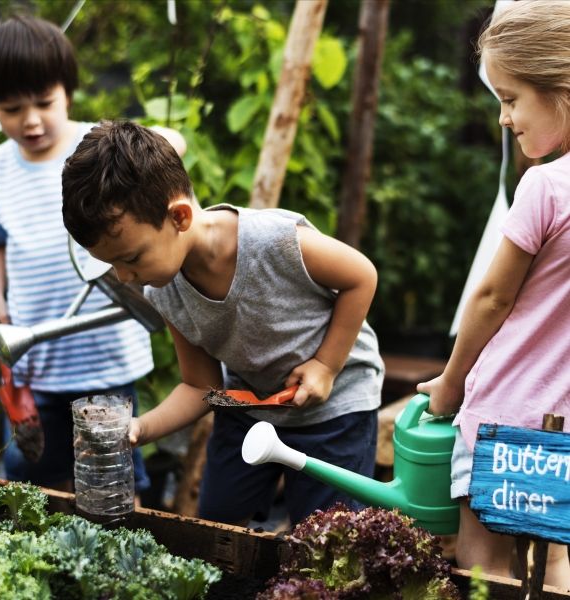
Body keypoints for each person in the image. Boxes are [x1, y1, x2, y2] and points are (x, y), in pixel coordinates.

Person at [61, 120, 384, 527]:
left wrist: (326, 365)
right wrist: (139, 428)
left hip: (334, 410)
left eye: (131, 258)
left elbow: (361, 276)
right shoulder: (164, 289)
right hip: (248, 405)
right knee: (217, 522)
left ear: (178, 216)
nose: (125, 277)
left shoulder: (273, 241)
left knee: (326, 534)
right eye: (112, 264)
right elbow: (202, 386)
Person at [0, 15, 186, 497]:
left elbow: (174, 142)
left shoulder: (98, 148)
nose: (30, 120)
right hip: (35, 354)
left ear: (66, 91)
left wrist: (159, 146)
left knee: (112, 477)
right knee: (32, 483)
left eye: (44, 103)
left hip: (104, 355)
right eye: (11, 108)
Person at [417, 0, 570, 588]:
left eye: (510, 99)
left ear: (560, 87)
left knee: (480, 562)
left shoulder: (546, 186)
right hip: (563, 422)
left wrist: (452, 382)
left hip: (506, 415)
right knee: (552, 562)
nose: (504, 118)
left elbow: (490, 300)